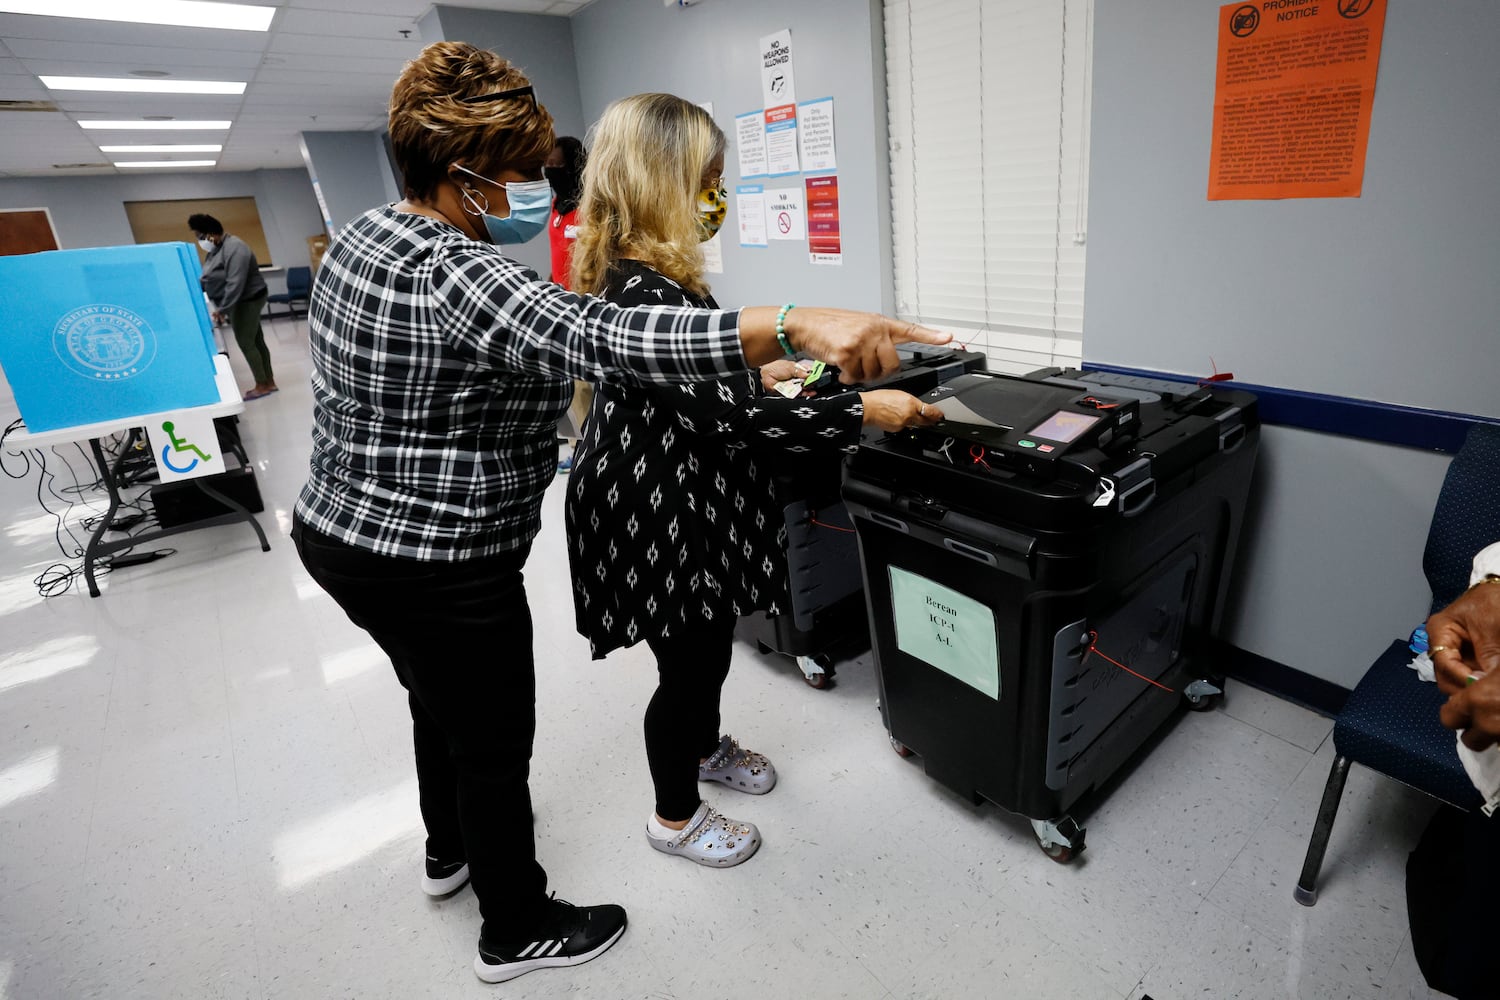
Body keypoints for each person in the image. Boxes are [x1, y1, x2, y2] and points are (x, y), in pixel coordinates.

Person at [290, 42, 948, 987]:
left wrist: (764, 364)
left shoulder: (363, 238)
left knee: (434, 705)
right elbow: (603, 337)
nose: (538, 189)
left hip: (345, 530)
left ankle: (450, 855)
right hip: (433, 557)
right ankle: (514, 926)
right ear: (461, 177)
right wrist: (800, 322)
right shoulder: (459, 274)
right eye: (519, 174)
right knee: (489, 741)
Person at [565, 93, 940, 870]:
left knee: (704, 652)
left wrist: (758, 368)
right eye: (706, 179)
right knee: (689, 665)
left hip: (681, 489)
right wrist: (867, 408)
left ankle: (704, 749)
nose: (718, 198)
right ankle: (674, 817)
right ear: (660, 181)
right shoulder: (643, 290)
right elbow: (744, 423)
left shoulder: (658, 279)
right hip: (655, 507)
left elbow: (702, 382)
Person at [188, 212, 277, 400]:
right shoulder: (216, 250)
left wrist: (222, 309)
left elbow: (235, 282)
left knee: (246, 341)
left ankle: (262, 385)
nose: (200, 241)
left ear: (212, 233)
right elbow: (209, 275)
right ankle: (269, 381)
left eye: (201, 236)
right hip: (238, 300)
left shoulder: (235, 248)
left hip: (247, 300)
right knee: (256, 340)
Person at [544, 136, 591, 474]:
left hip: (585, 308)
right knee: (571, 388)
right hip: (561, 306)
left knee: (586, 387)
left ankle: (592, 449)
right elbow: (558, 255)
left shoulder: (588, 208)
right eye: (548, 167)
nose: (551, 173)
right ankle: (577, 447)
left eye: (559, 167)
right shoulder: (556, 208)